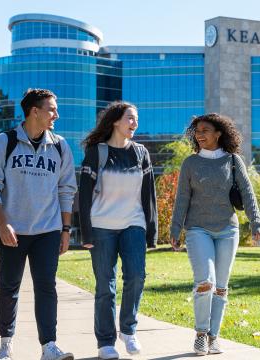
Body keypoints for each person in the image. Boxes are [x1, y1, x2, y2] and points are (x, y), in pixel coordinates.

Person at [0, 88, 77, 360]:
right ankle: (6, 345)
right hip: (11, 229)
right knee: (9, 285)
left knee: (46, 286)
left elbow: (66, 190)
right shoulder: (5, 142)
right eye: (51, 109)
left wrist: (66, 229)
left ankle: (49, 347)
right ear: (34, 111)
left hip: (47, 229)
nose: (56, 114)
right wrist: (3, 223)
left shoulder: (60, 146)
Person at [170, 113, 260, 356]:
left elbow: (248, 192)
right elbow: (182, 198)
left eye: (205, 130)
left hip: (228, 230)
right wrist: (175, 228)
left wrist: (256, 222)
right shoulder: (190, 163)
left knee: (221, 287)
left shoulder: (233, 161)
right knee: (205, 282)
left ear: (218, 133)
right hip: (197, 228)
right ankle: (200, 335)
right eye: (197, 131)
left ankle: (214, 337)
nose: (200, 135)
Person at [78, 101, 157, 359]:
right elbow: (85, 194)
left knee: (136, 276)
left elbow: (149, 194)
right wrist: (86, 232)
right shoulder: (96, 152)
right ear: (115, 121)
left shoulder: (141, 153)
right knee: (105, 286)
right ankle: (105, 342)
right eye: (130, 118)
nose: (135, 123)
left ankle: (128, 330)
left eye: (136, 119)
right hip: (102, 226)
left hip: (133, 223)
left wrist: (151, 230)